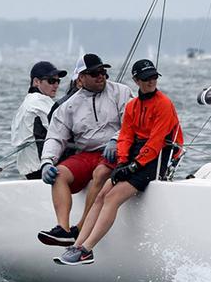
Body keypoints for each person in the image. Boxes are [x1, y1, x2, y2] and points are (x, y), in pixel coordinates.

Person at [56, 59, 183, 266]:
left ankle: (87, 250)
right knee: (100, 196)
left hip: (156, 158)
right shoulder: (133, 105)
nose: (151, 82)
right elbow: (125, 135)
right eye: (145, 78)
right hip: (135, 156)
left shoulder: (164, 104)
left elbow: (156, 141)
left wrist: (134, 166)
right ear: (136, 80)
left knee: (112, 198)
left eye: (153, 78)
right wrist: (123, 162)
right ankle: (77, 246)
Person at [36, 53, 132, 246]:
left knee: (100, 173)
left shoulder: (121, 92)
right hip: (87, 154)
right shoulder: (68, 106)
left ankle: (80, 228)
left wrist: (115, 140)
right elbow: (55, 136)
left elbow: (131, 123)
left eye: (103, 72)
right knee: (59, 174)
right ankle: (62, 229)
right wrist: (46, 162)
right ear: (81, 78)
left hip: (117, 150)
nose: (101, 76)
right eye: (94, 73)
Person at [10, 61, 66, 179]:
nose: (56, 85)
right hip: (42, 169)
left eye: (58, 81)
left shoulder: (27, 102)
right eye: (51, 81)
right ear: (36, 82)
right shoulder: (39, 102)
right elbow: (65, 128)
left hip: (28, 169)